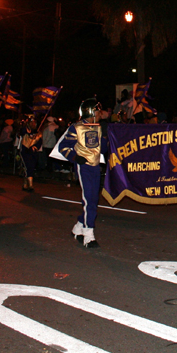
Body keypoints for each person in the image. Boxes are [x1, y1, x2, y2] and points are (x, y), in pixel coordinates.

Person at [60, 98, 108, 247]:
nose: (100, 114)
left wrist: (105, 137)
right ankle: (88, 235)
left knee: (93, 199)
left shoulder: (98, 127)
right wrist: (75, 157)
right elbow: (63, 147)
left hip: (95, 167)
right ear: (91, 111)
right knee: (89, 200)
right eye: (98, 111)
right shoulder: (77, 127)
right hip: (84, 167)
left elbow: (103, 149)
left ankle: (78, 227)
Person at [19, 117, 41, 192]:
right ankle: (30, 185)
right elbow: (21, 132)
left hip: (33, 152)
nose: (33, 124)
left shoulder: (38, 133)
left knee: (31, 167)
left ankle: (25, 184)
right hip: (25, 151)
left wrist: (35, 146)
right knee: (27, 167)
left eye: (34, 123)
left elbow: (39, 142)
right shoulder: (25, 130)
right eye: (31, 123)